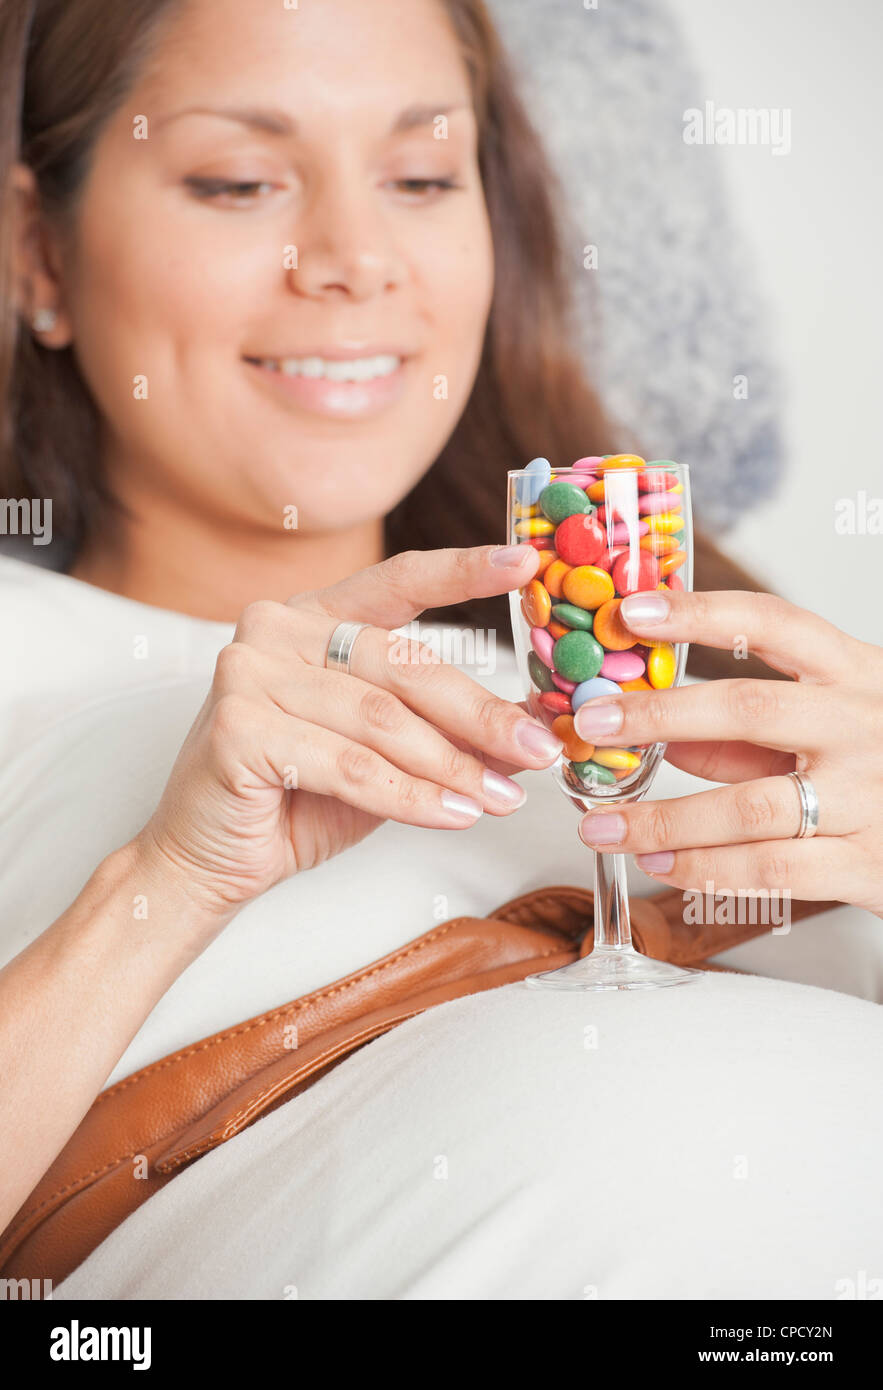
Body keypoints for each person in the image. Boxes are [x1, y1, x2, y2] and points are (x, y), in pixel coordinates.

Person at [1, 0, 881, 1300]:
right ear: (39, 255)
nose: (355, 258)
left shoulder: (730, 688)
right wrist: (169, 880)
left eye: (421, 176)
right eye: (239, 181)